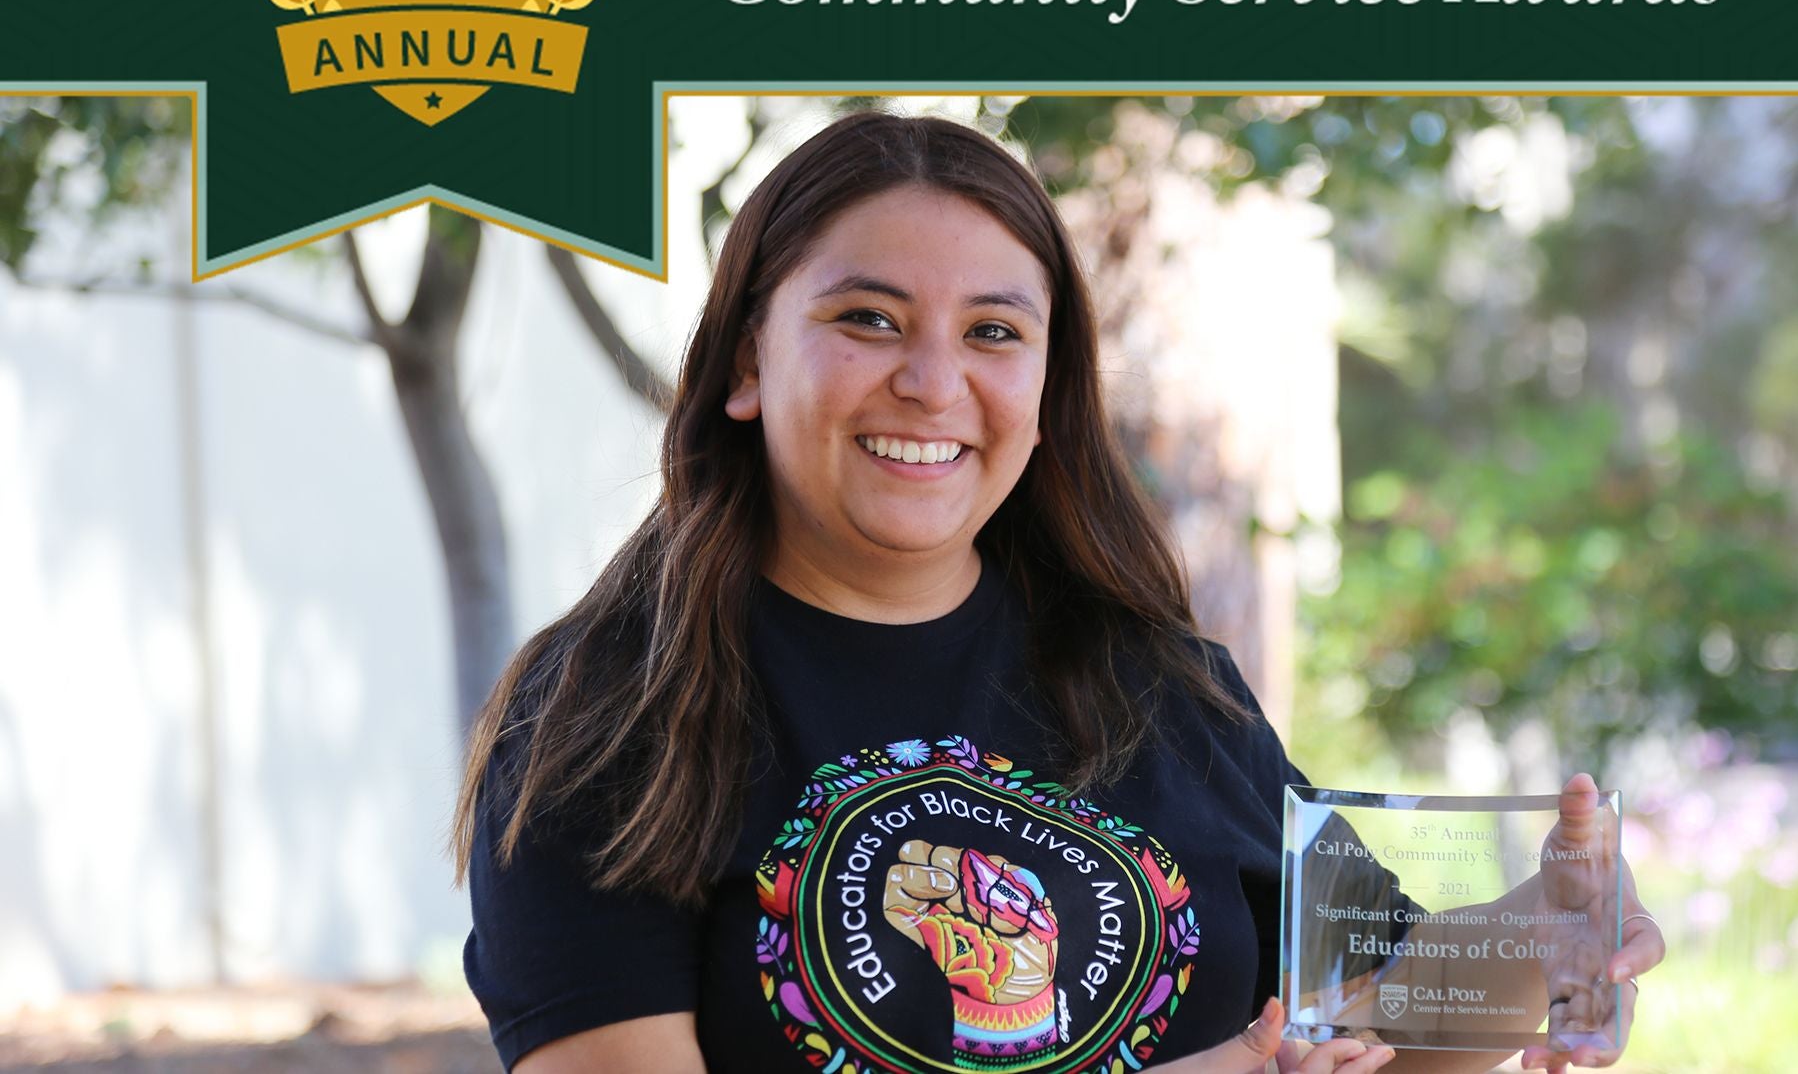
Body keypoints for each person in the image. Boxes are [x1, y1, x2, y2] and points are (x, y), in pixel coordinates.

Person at [450, 110, 1663, 1074]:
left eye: (993, 332)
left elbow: (1376, 1014)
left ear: (1045, 391)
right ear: (745, 362)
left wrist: (1543, 935)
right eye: (867, 318)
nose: (933, 381)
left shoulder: (1160, 683)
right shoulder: (609, 720)